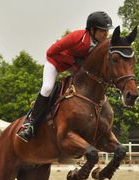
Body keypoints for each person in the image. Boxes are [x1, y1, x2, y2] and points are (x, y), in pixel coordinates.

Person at [16, 11, 113, 142]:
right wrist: (72, 61)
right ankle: (30, 124)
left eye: (107, 31)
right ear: (92, 29)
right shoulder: (77, 37)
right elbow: (50, 52)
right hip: (55, 62)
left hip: (74, 69)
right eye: (103, 31)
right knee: (47, 88)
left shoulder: (101, 45)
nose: (106, 34)